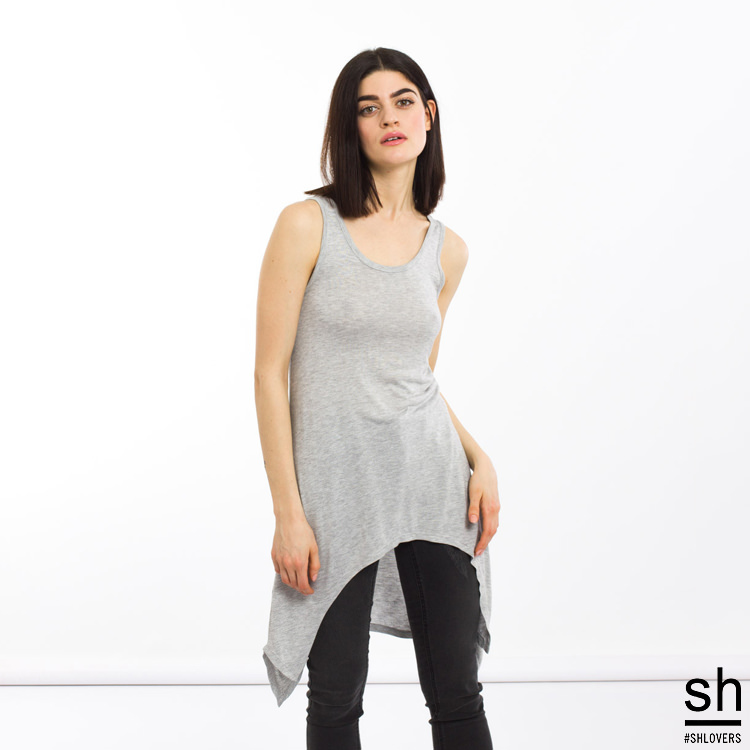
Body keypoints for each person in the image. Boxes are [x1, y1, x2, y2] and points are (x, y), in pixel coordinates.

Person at [254, 47, 501, 750]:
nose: (389, 117)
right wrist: (288, 513)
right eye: (369, 107)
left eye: (402, 101)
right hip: (336, 495)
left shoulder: (447, 251)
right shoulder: (307, 225)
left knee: (457, 694)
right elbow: (269, 373)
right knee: (336, 696)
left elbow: (416, 377)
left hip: (434, 485)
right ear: (351, 126)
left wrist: (479, 458)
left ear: (428, 115)